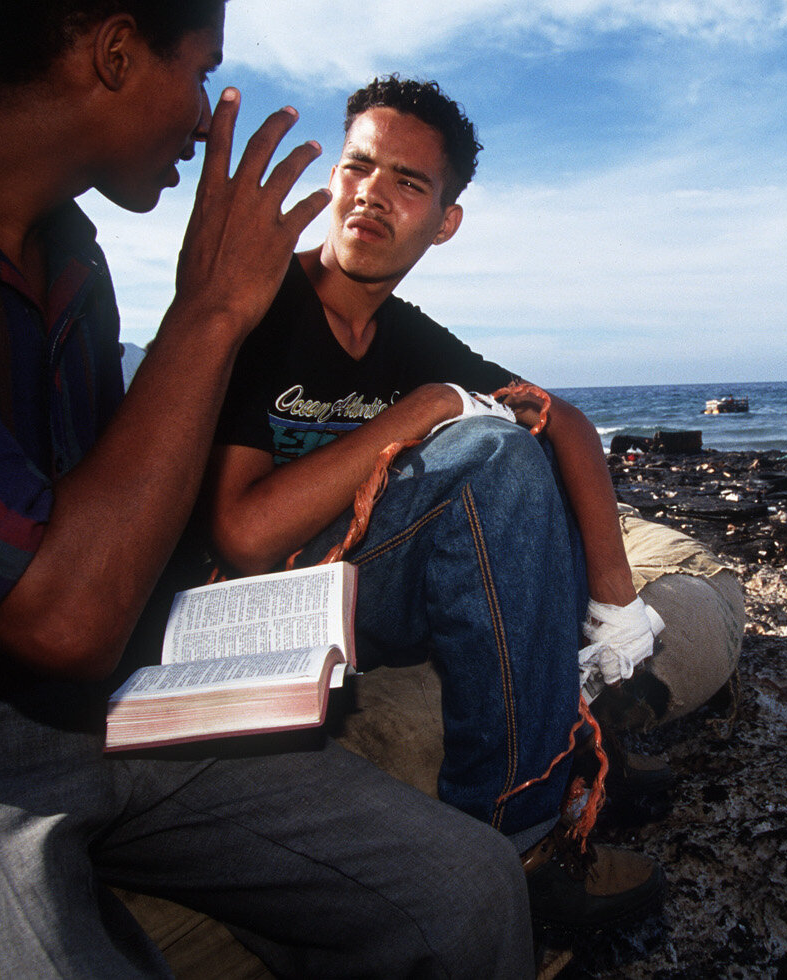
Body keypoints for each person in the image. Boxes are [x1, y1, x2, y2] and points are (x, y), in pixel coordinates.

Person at [0, 4, 538, 976]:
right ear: (115, 53)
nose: (204, 119)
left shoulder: (70, 255)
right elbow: (61, 611)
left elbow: (111, 525)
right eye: (201, 73)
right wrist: (208, 311)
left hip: (107, 707)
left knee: (471, 890)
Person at [202, 76, 675, 928]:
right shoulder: (264, 306)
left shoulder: (404, 332)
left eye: (409, 184)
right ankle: (521, 838)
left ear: (444, 221)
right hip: (258, 604)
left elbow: (562, 419)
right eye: (359, 168)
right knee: (489, 453)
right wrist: (428, 409)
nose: (372, 196)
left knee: (528, 461)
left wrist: (616, 601)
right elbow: (241, 536)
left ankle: (575, 736)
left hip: (365, 586)